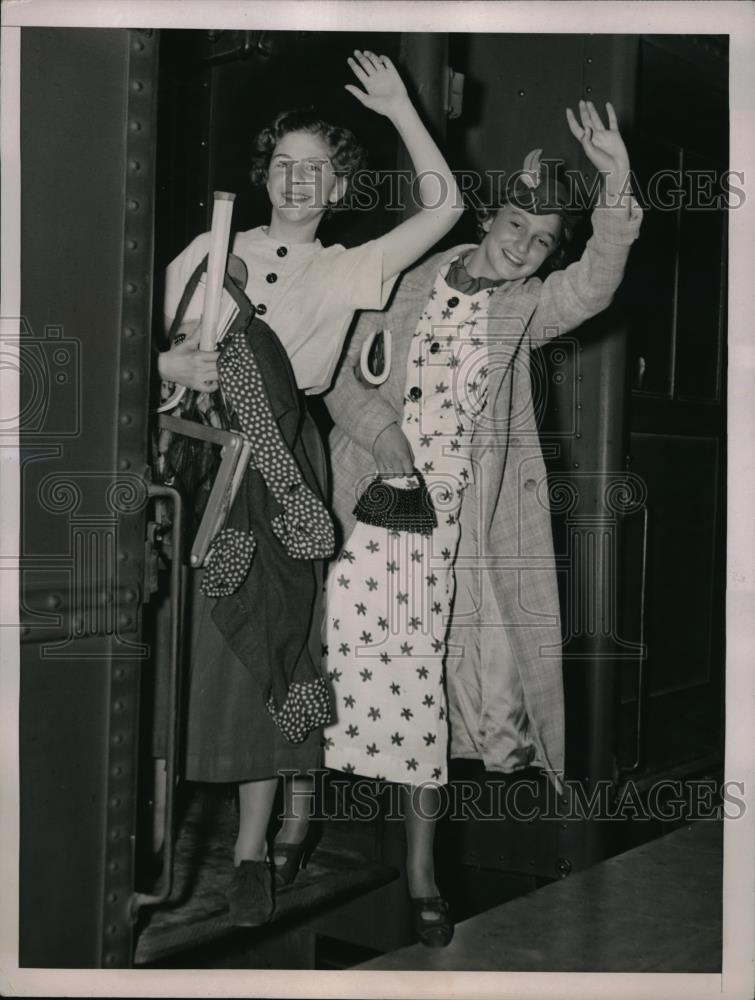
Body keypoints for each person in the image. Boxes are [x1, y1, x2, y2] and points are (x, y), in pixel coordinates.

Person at [321, 99, 642, 946]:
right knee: (318, 671)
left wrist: (614, 179)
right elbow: (338, 378)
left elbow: (596, 279)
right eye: (515, 226)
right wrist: (385, 439)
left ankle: (423, 869)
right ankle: (285, 830)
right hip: (363, 512)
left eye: (542, 242)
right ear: (491, 216)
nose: (523, 247)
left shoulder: (525, 309)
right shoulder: (403, 278)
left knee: (424, 698)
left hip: (453, 539)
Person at [155, 49, 463, 925]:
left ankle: (249, 854)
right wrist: (163, 360)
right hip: (205, 460)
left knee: (272, 655)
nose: (295, 181)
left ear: (337, 187)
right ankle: (163, 839)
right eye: (283, 165)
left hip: (285, 457)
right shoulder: (213, 251)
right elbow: (136, 338)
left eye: (314, 170)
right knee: (193, 650)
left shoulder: (346, 267)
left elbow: (445, 207)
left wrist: (403, 107)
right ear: (265, 175)